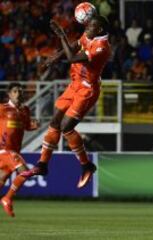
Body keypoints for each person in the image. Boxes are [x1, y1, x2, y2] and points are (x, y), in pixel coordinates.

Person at [21, 16, 111, 189]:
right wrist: (52, 59)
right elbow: (74, 47)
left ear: (99, 29)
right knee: (55, 122)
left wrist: (61, 35)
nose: (86, 28)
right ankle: (42, 164)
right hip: (74, 84)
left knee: (66, 127)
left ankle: (86, 166)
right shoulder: (89, 35)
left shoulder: (102, 48)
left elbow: (72, 57)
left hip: (87, 90)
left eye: (91, 26)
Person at [0, 83, 40, 217]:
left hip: (15, 150)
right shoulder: (2, 108)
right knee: (25, 171)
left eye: (21, 91)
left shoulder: (25, 110)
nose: (19, 94)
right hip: (4, 150)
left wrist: (34, 126)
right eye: (16, 91)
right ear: (9, 94)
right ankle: (7, 198)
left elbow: (27, 126)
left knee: (2, 179)